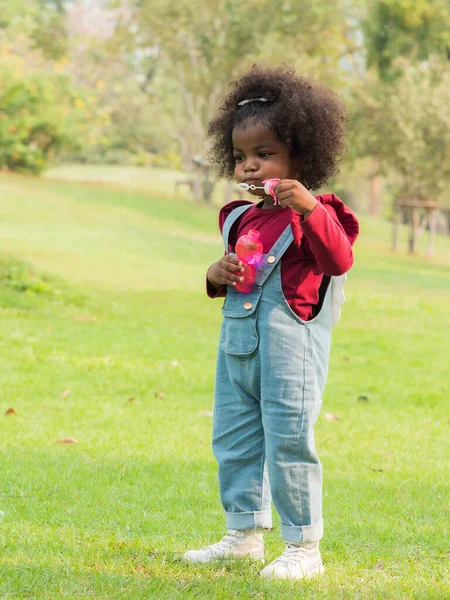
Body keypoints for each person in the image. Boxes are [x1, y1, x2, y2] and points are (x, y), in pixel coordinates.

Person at [182, 65, 359, 580]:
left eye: (266, 154)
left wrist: (307, 208)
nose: (251, 167)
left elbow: (337, 260)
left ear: (302, 155)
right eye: (241, 157)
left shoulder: (320, 212)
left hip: (290, 353)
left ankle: (304, 545)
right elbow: (230, 279)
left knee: (288, 442)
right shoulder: (236, 216)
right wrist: (216, 273)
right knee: (234, 440)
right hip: (236, 351)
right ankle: (243, 534)